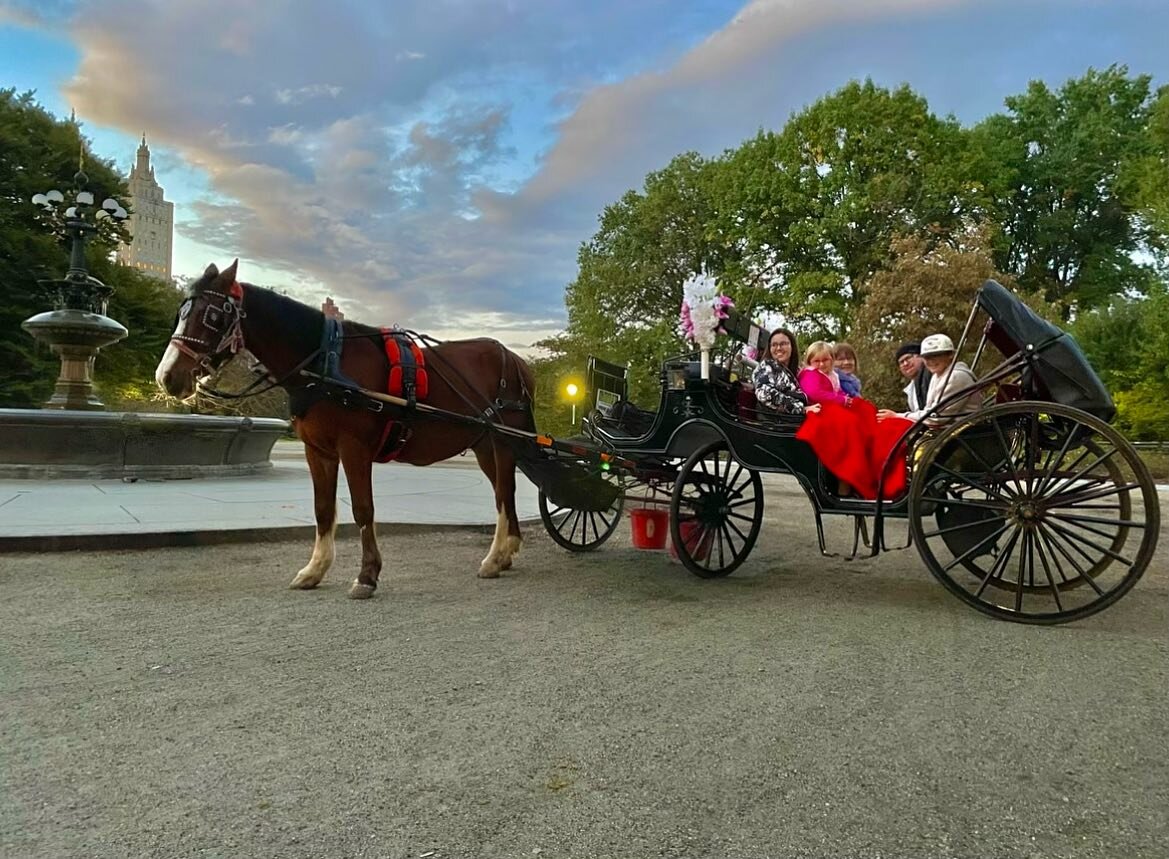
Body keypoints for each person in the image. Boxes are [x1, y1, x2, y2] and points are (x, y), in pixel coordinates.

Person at [880, 333, 979, 422]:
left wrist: (898, 416)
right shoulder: (937, 375)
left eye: (936, 355)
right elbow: (930, 411)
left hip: (965, 432)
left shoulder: (956, 376)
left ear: (950, 355)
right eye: (927, 357)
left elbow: (936, 418)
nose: (931, 361)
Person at [752, 328, 820, 416]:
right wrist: (801, 409)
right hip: (777, 422)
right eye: (774, 345)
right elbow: (764, 393)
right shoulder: (766, 366)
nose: (778, 348)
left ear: (792, 346)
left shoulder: (799, 371)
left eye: (783, 344)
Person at [798, 341, 854, 408]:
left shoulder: (832, 375)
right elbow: (814, 393)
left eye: (825, 360)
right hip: (817, 409)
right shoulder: (809, 374)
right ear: (809, 362)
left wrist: (846, 398)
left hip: (831, 406)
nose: (821, 364)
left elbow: (837, 391)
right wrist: (841, 400)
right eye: (817, 361)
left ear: (832, 360)